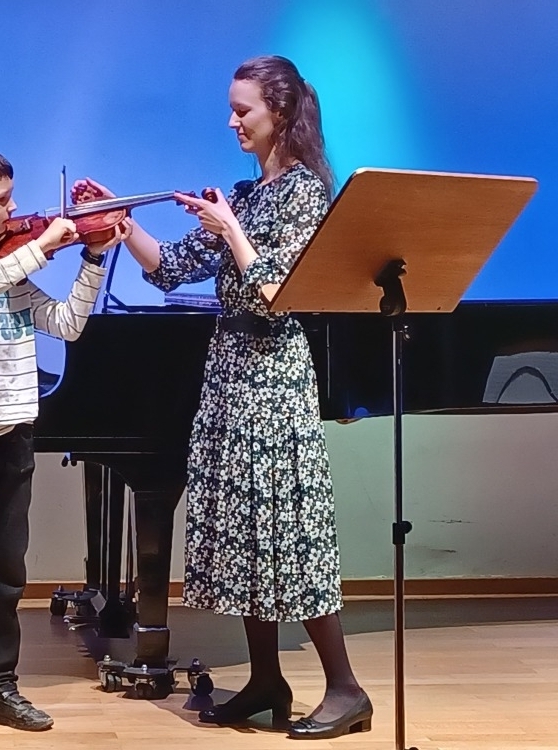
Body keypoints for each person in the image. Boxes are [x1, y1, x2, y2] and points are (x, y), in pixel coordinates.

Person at [73, 55, 372, 740]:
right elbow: (171, 269)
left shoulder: (303, 194)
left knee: (287, 532)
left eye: (244, 110)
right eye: (232, 109)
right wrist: (122, 221)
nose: (232, 121)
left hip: (273, 377)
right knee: (244, 534)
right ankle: (266, 680)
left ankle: (346, 687)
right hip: (231, 373)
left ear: (281, 113)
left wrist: (230, 229)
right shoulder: (246, 192)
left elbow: (277, 293)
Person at [0, 145, 130, 740]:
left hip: (16, 432)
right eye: (3, 200)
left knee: (8, 572)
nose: (15, 210)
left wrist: (92, 256)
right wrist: (40, 246)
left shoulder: (10, 268)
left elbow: (67, 324)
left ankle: (0, 688)